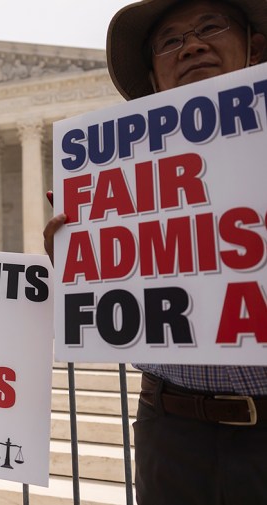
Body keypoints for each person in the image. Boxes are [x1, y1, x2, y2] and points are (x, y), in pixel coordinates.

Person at [44, 1, 267, 503]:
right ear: (153, 74)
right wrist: (85, 268)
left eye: (210, 26)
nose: (192, 45)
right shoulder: (120, 170)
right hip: (170, 427)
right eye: (171, 41)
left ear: (254, 45)